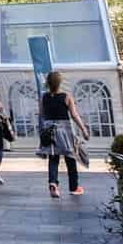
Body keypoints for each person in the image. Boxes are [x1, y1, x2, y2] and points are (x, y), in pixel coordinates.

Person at [38, 70, 90, 198]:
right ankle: (74, 187)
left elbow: (42, 114)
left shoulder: (43, 97)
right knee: (70, 158)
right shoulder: (67, 97)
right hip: (64, 130)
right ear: (60, 83)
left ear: (48, 83)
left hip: (49, 129)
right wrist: (83, 129)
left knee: (53, 158)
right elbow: (74, 115)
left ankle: (53, 183)